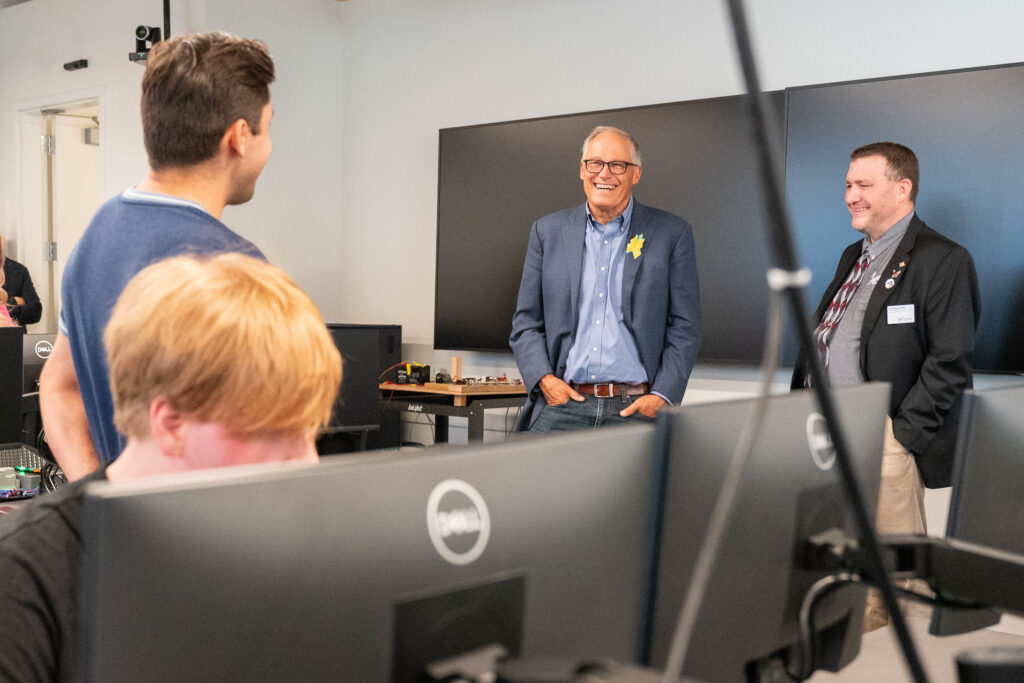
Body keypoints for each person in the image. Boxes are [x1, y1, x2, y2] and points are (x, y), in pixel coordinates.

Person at [0, 253, 342, 681]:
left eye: (310, 433)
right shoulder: (27, 577)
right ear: (172, 424)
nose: (308, 461)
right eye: (274, 433)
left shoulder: (288, 558)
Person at [40, 32, 276, 481]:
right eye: (268, 126)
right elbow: (257, 454)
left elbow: (59, 386)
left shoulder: (98, 233)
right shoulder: (235, 268)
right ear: (239, 137)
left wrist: (98, 495)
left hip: (127, 522)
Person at [791, 141, 980, 630]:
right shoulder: (853, 255)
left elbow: (950, 359)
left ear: (902, 188)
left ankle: (895, 658)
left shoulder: (943, 259)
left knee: (894, 585)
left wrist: (903, 434)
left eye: (863, 185)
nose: (851, 196)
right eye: (847, 185)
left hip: (885, 433)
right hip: (825, 430)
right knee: (840, 562)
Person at [510, 126, 701, 433]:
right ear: (582, 170)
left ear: (636, 173)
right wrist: (545, 381)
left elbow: (684, 326)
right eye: (595, 163)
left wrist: (662, 396)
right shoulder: (547, 232)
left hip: (637, 410)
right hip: (562, 406)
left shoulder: (671, 234)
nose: (604, 173)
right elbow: (526, 323)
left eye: (617, 165)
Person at [0, 233, 42, 328]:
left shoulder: (18, 271)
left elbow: (35, 311)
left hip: (14, 336)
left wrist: (8, 307)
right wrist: (16, 301)